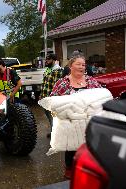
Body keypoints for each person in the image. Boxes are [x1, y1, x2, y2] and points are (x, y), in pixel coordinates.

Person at [50, 51, 101, 179]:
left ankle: (87, 170)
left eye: (83, 65)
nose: (81, 67)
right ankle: (69, 168)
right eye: (78, 64)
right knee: (72, 148)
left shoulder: (92, 82)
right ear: (70, 66)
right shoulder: (62, 83)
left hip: (89, 122)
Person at [40, 53, 63, 138]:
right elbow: (44, 83)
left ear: (53, 60)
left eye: (48, 59)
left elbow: (57, 86)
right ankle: (54, 131)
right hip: (45, 97)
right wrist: (41, 95)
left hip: (51, 98)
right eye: (46, 59)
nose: (46, 61)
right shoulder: (48, 69)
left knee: (54, 116)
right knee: (49, 116)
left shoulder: (57, 70)